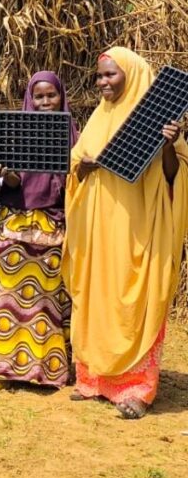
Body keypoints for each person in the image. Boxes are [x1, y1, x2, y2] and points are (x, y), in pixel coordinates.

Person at [62, 47, 188, 419]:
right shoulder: (98, 121)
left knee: (134, 300)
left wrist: (168, 144)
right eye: (99, 76)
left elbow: (173, 179)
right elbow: (75, 172)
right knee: (98, 296)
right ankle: (93, 380)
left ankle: (137, 388)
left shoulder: (157, 125)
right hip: (98, 231)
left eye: (110, 75)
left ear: (131, 75)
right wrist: (83, 168)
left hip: (138, 232)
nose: (102, 82)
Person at [0, 72, 78, 398]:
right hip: (16, 227)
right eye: (39, 97)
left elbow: (76, 184)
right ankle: (2, 369)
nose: (46, 102)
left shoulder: (72, 135)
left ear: (61, 96)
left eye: (51, 95)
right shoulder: (17, 132)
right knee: (7, 300)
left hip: (52, 227)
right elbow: (14, 182)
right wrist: (3, 173)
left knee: (47, 302)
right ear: (29, 99)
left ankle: (46, 372)